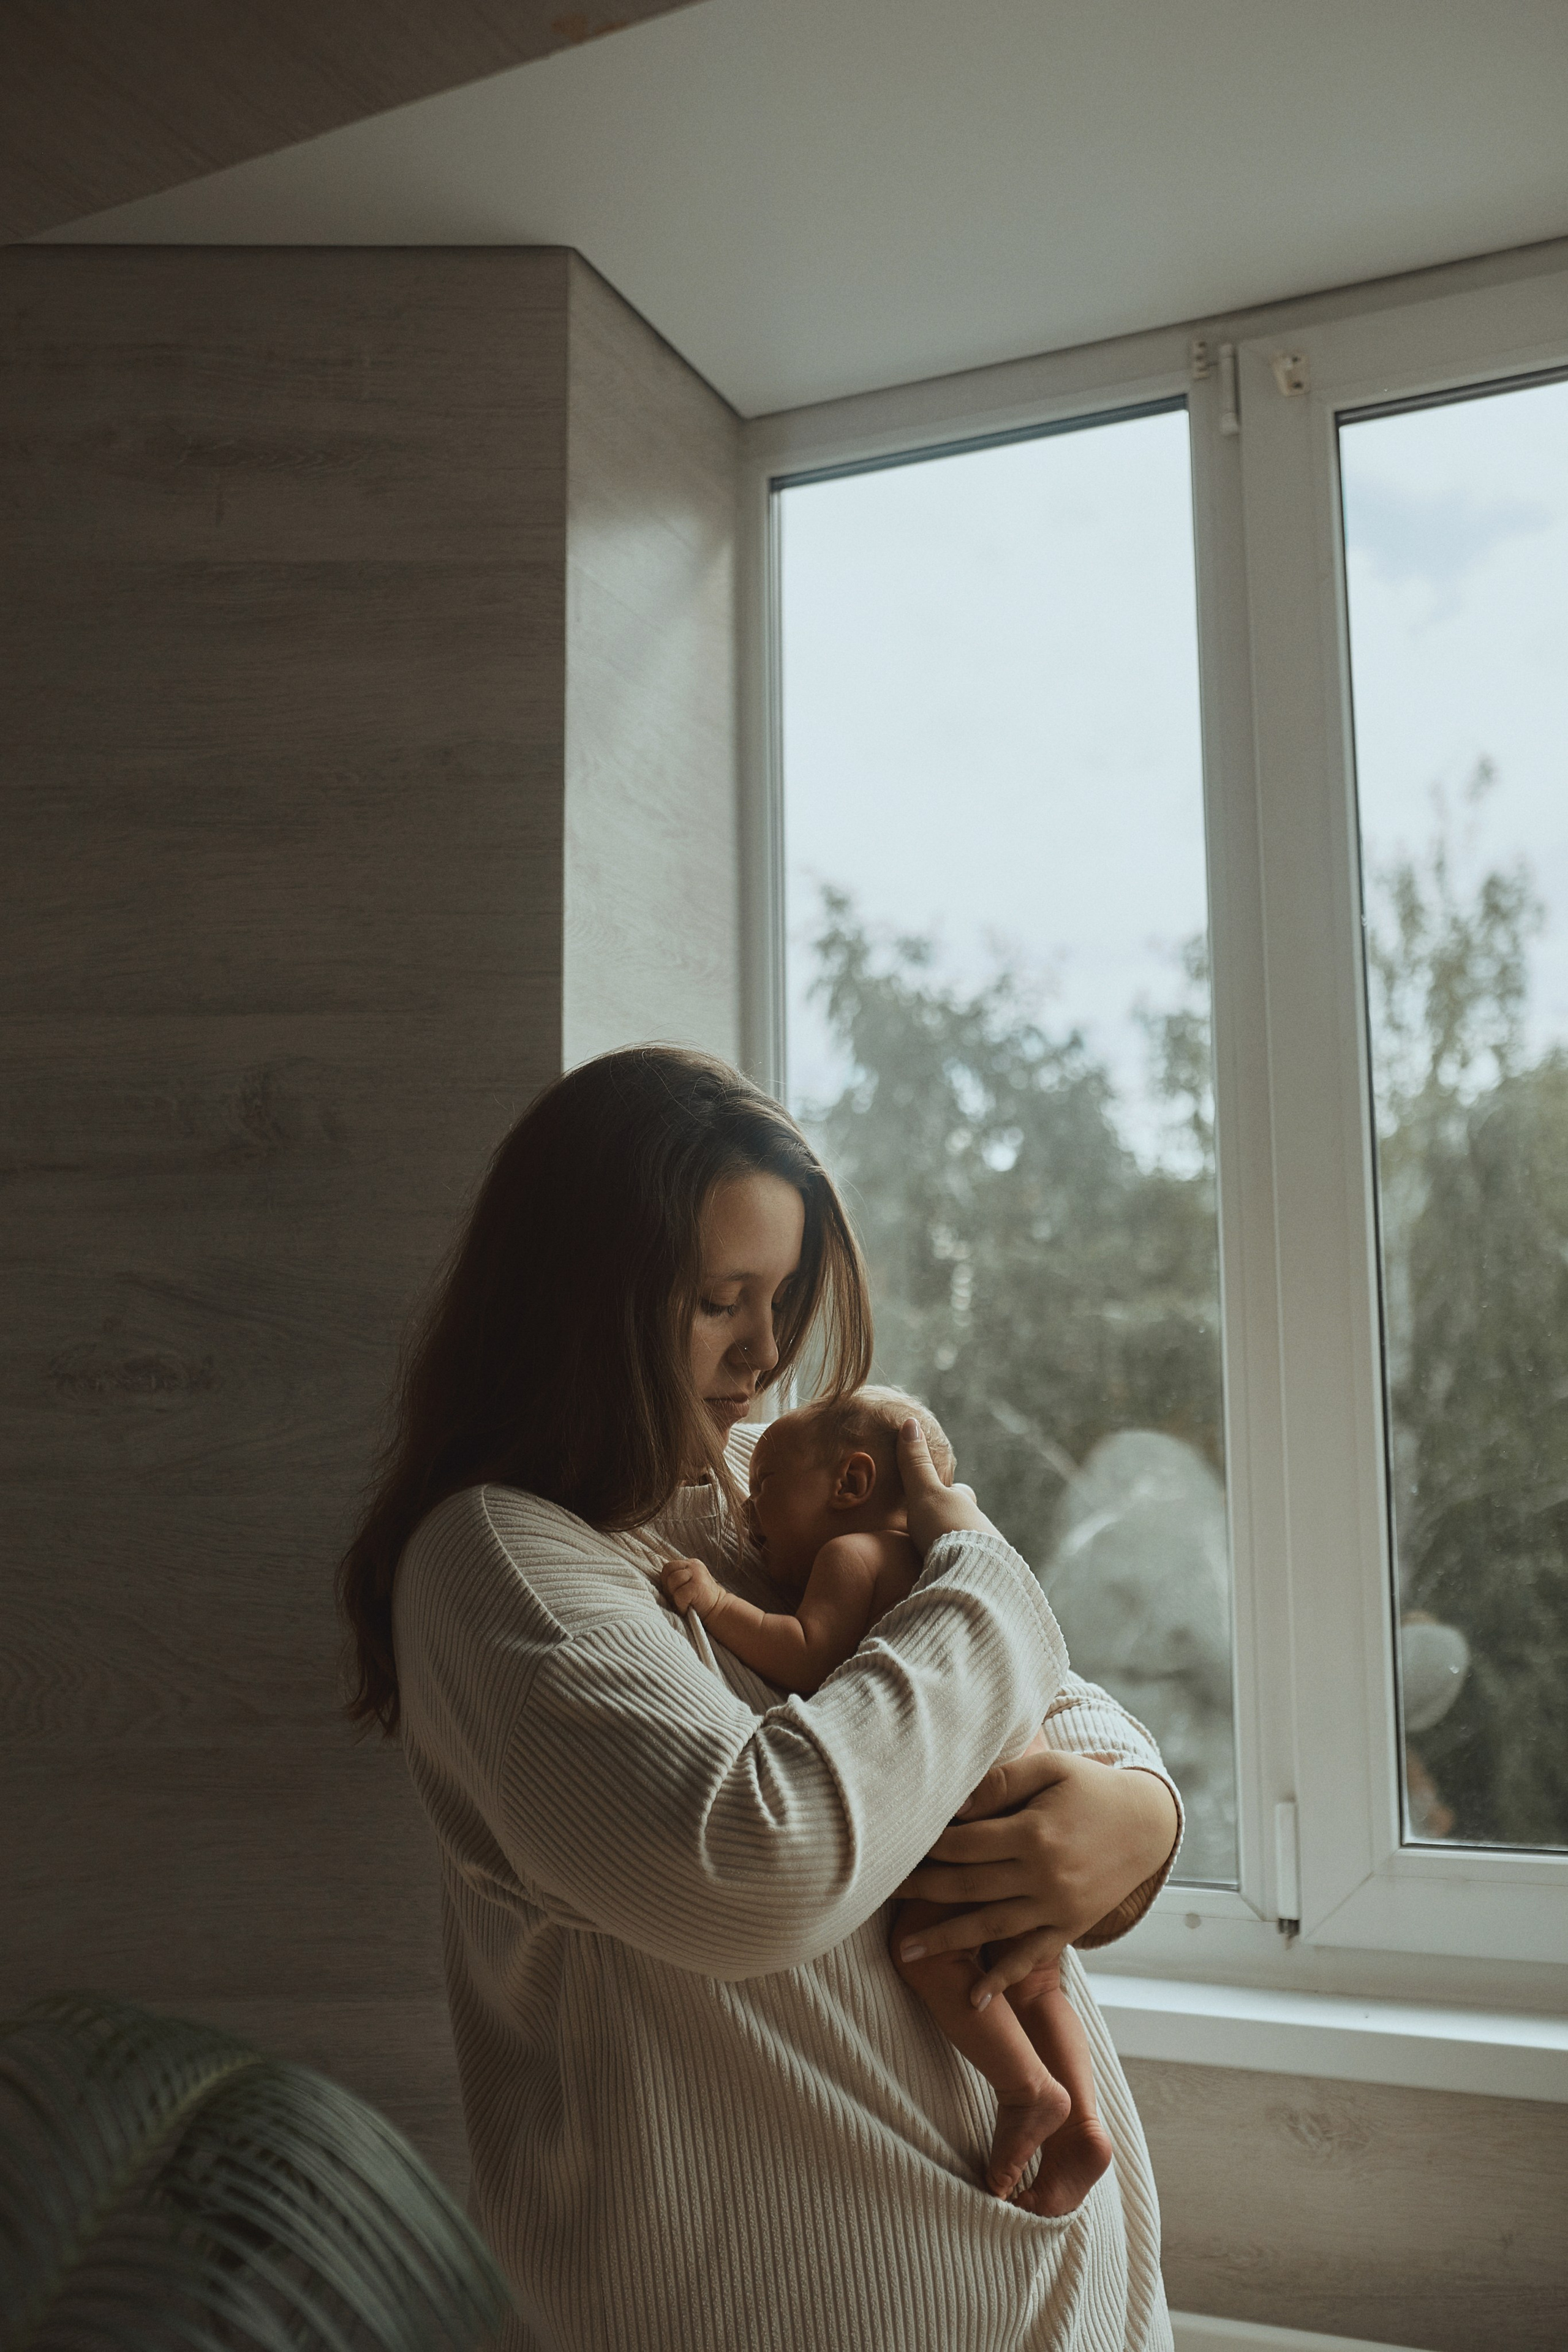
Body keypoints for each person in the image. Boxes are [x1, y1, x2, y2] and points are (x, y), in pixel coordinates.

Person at [337, 1045, 1182, 2352]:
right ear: (583, 1308)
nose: (769, 1351)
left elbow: (1030, 1694)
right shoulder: (499, 1563)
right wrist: (984, 1571)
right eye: (720, 1301)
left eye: (780, 1296)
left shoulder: (754, 1476)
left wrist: (1137, 1811)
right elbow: (759, 1859)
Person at [659, 1384, 1114, 2215]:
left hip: (966, 1804)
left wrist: (719, 1603)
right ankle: (1086, 2120)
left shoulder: (851, 1557)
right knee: (1038, 1973)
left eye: (762, 1493)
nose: (748, 1521)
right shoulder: (944, 1565)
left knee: (927, 1948)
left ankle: (1025, 2092)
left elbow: (804, 1655)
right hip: (1031, 1782)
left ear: (852, 1484)